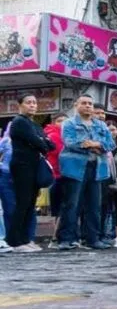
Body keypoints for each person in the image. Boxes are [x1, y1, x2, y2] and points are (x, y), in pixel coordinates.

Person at [58, 95, 116, 250]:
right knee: (72, 204)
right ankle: (66, 239)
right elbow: (70, 142)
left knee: (94, 205)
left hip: (97, 168)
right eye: (84, 103)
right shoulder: (69, 123)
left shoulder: (101, 125)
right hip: (75, 168)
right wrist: (94, 147)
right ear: (76, 105)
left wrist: (96, 143)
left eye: (90, 104)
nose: (88, 106)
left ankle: (93, 239)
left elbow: (111, 144)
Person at [7, 94, 54, 251]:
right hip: (22, 166)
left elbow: (50, 144)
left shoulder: (34, 124)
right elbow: (39, 143)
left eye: (34, 103)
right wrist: (41, 141)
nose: (32, 105)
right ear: (20, 105)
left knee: (30, 205)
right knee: (22, 203)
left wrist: (41, 141)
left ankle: (26, 238)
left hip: (34, 166)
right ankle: (14, 241)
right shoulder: (19, 122)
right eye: (29, 103)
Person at [43, 115, 65, 242]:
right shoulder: (51, 135)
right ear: (53, 123)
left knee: (61, 206)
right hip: (55, 174)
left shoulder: (68, 135)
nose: (62, 124)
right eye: (59, 121)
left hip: (66, 174)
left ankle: (56, 234)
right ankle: (55, 235)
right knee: (57, 207)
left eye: (64, 121)